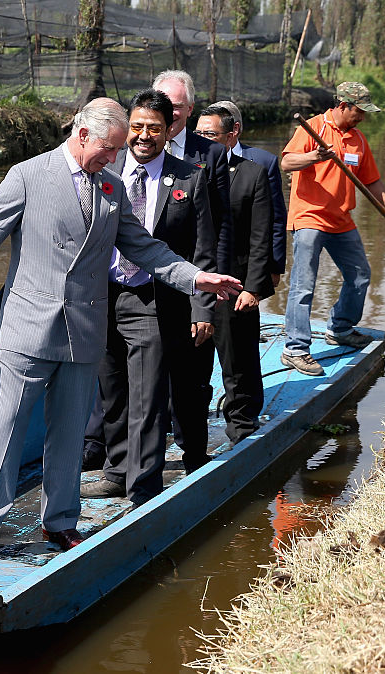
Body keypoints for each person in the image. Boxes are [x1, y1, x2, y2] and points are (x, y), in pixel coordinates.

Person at [0, 98, 242, 557]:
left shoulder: (110, 188)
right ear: (81, 134)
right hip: (29, 325)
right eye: (108, 148)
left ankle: (60, 520)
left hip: (84, 329)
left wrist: (196, 278)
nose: (115, 158)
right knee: (6, 424)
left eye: (117, 150)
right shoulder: (28, 175)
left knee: (69, 432)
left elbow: (146, 249)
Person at [80, 89, 217, 505]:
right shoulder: (104, 168)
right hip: (103, 297)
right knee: (112, 390)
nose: (143, 136)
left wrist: (202, 306)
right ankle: (117, 471)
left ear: (169, 129)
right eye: (137, 127)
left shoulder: (191, 177)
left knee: (149, 396)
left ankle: (144, 486)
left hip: (155, 300)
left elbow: (204, 248)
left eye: (153, 129)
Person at [279, 82, 385, 377]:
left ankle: (339, 328)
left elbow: (372, 182)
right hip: (309, 217)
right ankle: (295, 349)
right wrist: (315, 157)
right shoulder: (313, 128)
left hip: (341, 220)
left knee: (360, 275)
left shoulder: (358, 139)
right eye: (359, 111)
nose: (362, 117)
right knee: (303, 284)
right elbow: (287, 162)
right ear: (343, 105)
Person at [152, 69, 232, 471]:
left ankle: (193, 453)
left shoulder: (211, 155)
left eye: (177, 107)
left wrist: (211, 293)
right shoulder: (131, 148)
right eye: (163, 105)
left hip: (195, 280)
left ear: (189, 109)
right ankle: (131, 456)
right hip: (142, 283)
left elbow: (218, 227)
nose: (170, 114)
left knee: (192, 376)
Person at [195, 104, 279, 444]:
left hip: (235, 285)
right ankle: (188, 425)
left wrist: (255, 288)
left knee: (238, 361)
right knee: (192, 362)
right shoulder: (186, 171)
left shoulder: (251, 173)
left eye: (210, 135)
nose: (202, 140)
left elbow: (262, 236)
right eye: (197, 134)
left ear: (232, 135)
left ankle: (242, 425)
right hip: (195, 284)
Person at [210, 99, 288, 279]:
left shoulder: (263, 162)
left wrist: (275, 266)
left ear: (234, 129)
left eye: (211, 131)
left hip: (246, 262)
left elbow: (276, 218)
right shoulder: (196, 158)